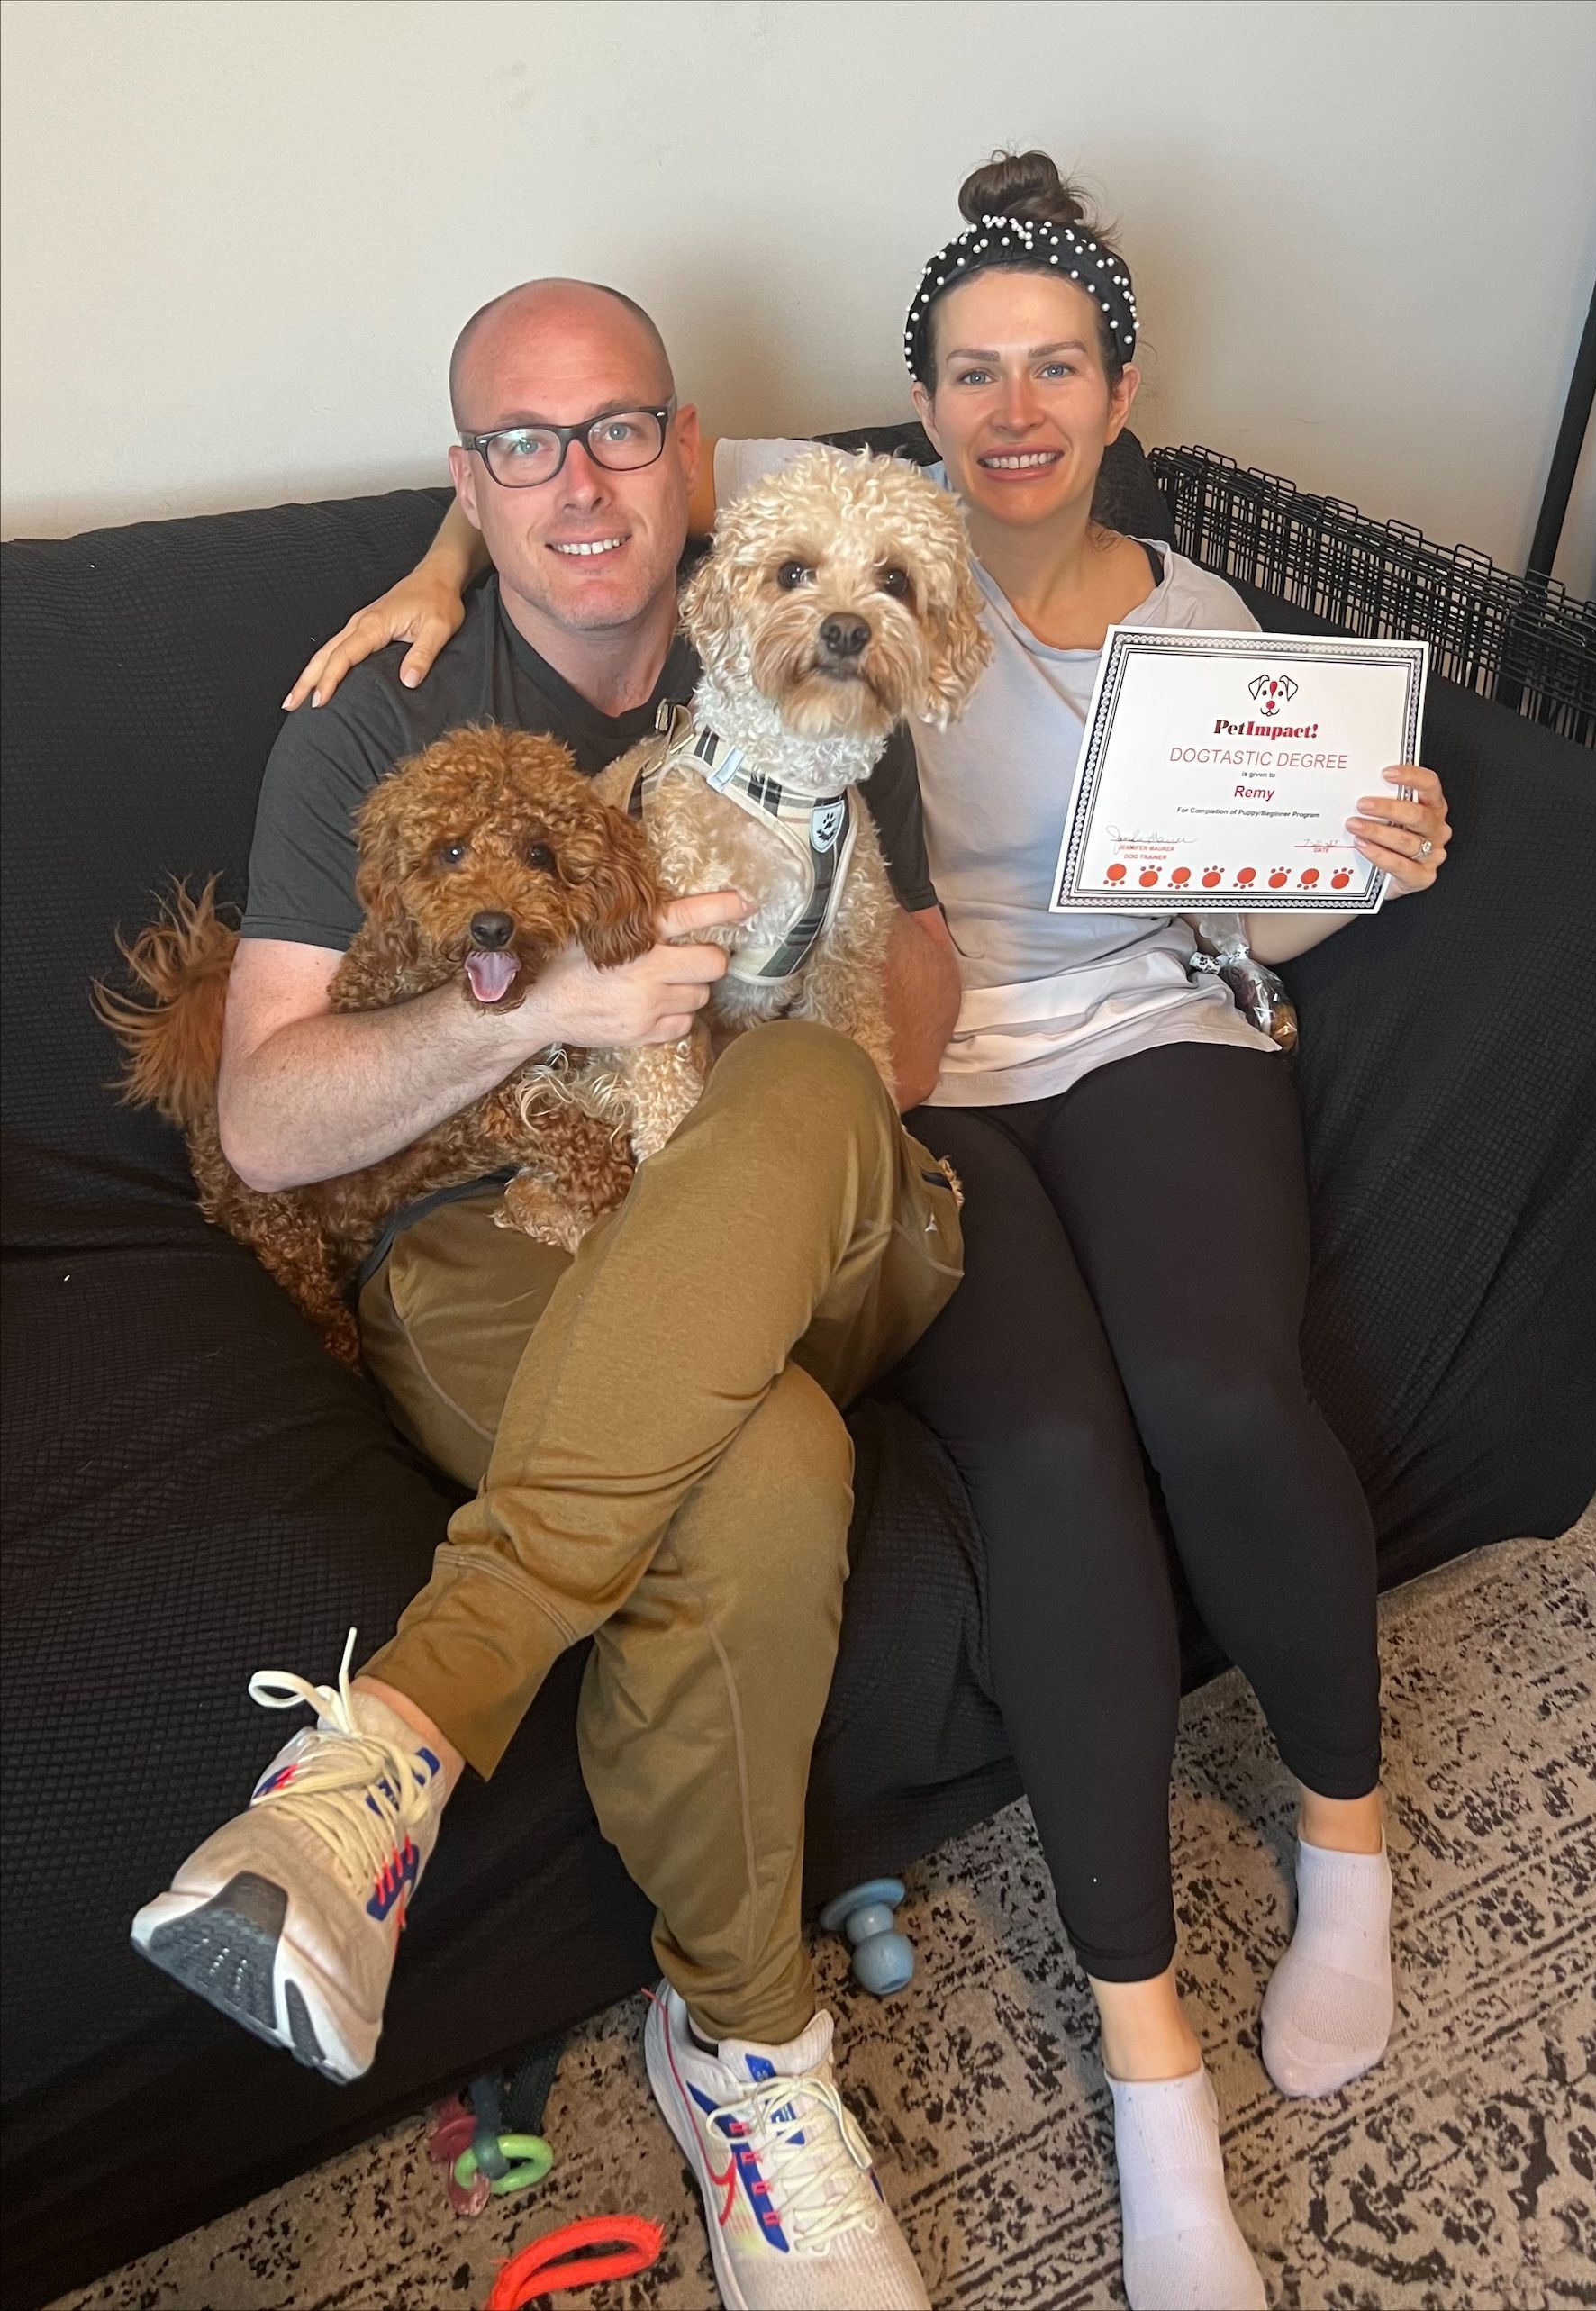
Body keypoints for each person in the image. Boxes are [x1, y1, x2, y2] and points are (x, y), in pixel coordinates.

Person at [295, 153, 1454, 2311]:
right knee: (984, 1451)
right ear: (914, 403)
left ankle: (1342, 1848)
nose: (1014, 410)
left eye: (1058, 371)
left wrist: (1365, 853)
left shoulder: (1149, 624)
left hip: (1056, 1051)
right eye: (972, 374)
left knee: (1193, 1374)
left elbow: (1244, 890)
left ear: (1121, 392)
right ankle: (1110, 2058)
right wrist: (440, 563)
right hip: (827, 1098)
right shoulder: (745, 551)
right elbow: (554, 455)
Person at [131, 276, 970, 2311]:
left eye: (619, 431)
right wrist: (560, 1016)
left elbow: (912, 986)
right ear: (466, 483)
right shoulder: (380, 711)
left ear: (694, 455)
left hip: (831, 1197)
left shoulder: (817, 646)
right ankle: (754, 2052)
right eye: (520, 444)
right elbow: (263, 1114)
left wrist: (804, 1072)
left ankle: (394, 1743)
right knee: (752, 1464)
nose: (577, 479)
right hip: (504, 1233)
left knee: (788, 1077)